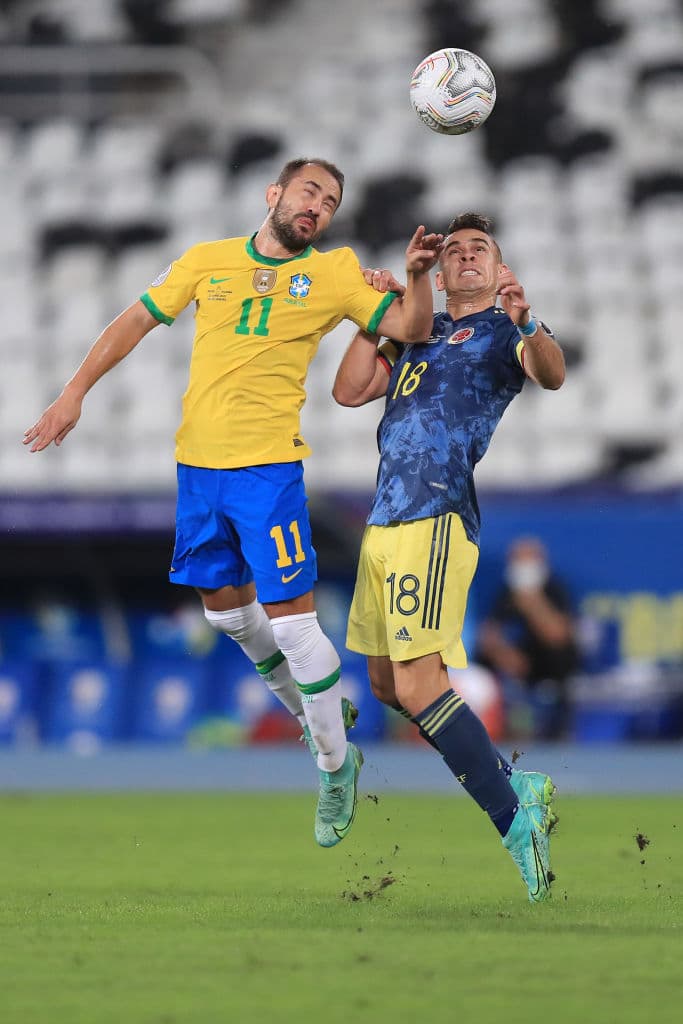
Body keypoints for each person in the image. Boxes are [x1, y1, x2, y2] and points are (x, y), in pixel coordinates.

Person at [23, 157, 442, 848]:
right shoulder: (206, 261)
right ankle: (318, 720)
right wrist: (74, 393)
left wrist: (416, 280)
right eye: (308, 191)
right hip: (197, 470)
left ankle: (336, 768)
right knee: (226, 617)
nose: (317, 206)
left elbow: (414, 326)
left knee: (292, 624)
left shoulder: (336, 271)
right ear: (274, 193)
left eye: (330, 201)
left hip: (266, 469)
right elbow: (133, 320)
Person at [332, 212, 566, 901]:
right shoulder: (418, 330)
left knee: (415, 685)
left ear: (497, 273)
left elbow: (549, 374)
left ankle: (511, 817)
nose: (466, 257)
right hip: (383, 519)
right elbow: (348, 391)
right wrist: (387, 305)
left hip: (433, 514)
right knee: (384, 687)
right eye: (454, 250)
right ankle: (511, 782)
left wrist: (527, 321)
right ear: (437, 271)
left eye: (480, 250)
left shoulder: (501, 332)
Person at [476, 535, 580, 739]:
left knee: (561, 655)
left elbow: (558, 636)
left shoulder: (555, 588)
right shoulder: (506, 592)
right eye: (516, 561)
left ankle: (557, 730)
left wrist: (532, 603)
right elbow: (489, 634)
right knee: (484, 663)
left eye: (527, 561)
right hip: (519, 662)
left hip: (551, 664)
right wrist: (505, 655)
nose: (521, 567)